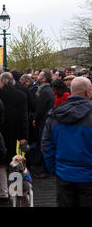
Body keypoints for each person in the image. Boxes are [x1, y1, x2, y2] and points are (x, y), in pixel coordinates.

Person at [42, 77, 92, 207]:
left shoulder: (55, 114)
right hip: (88, 176)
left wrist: (54, 168)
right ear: (87, 92)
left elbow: (46, 145)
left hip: (63, 173)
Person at [0, 72, 28, 204]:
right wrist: (23, 136)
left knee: (2, 163)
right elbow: (24, 118)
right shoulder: (22, 95)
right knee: (16, 163)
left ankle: (2, 192)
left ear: (1, 81)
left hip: (0, 134)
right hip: (16, 134)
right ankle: (16, 191)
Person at [32, 68, 55, 178]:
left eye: (40, 75)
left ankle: (46, 170)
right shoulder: (46, 90)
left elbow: (40, 109)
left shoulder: (45, 91)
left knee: (44, 144)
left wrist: (35, 120)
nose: (37, 76)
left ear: (44, 78)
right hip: (45, 121)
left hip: (43, 122)